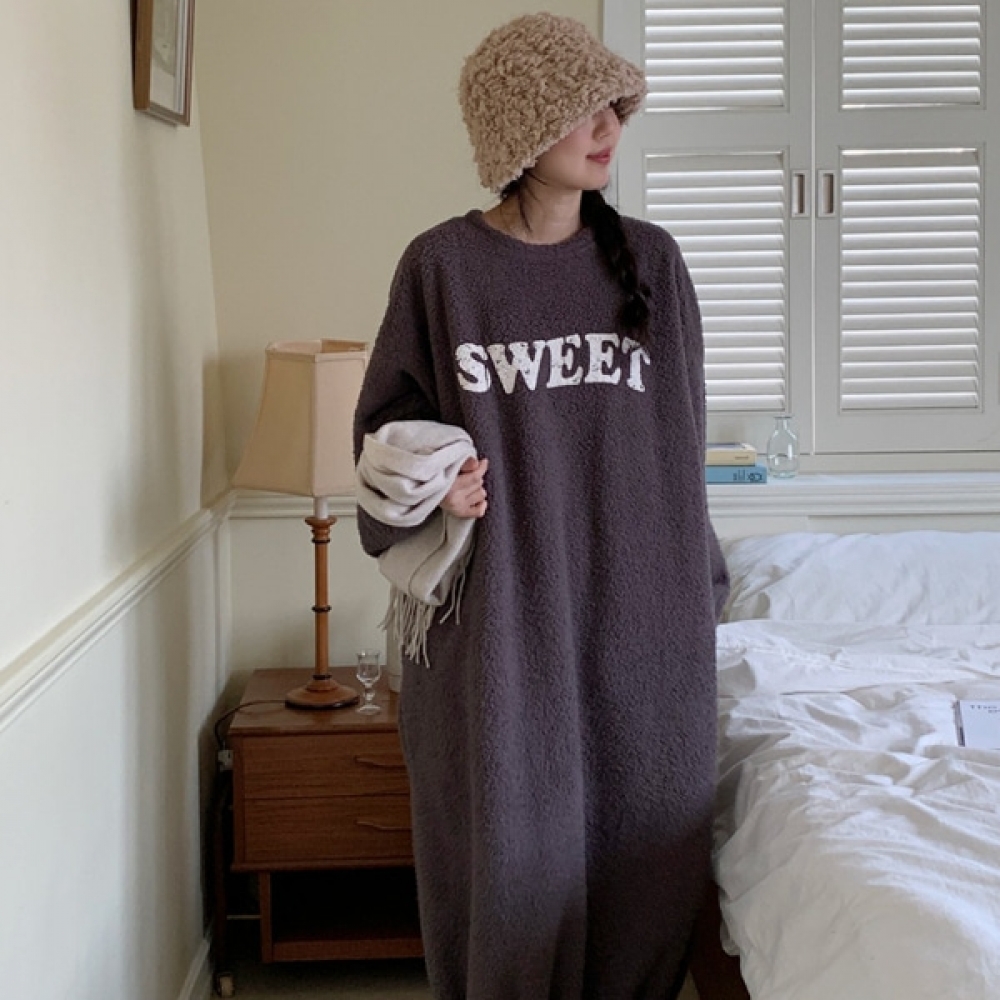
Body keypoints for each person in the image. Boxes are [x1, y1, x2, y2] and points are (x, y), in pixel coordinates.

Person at [353, 13, 730, 1000]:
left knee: (645, 849)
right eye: (583, 109)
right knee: (507, 861)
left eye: (616, 106)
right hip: (499, 618)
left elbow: (681, 443)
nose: (609, 127)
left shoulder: (653, 263)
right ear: (519, 129)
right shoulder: (442, 268)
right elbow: (386, 434)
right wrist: (441, 484)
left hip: (640, 608)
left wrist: (694, 588)